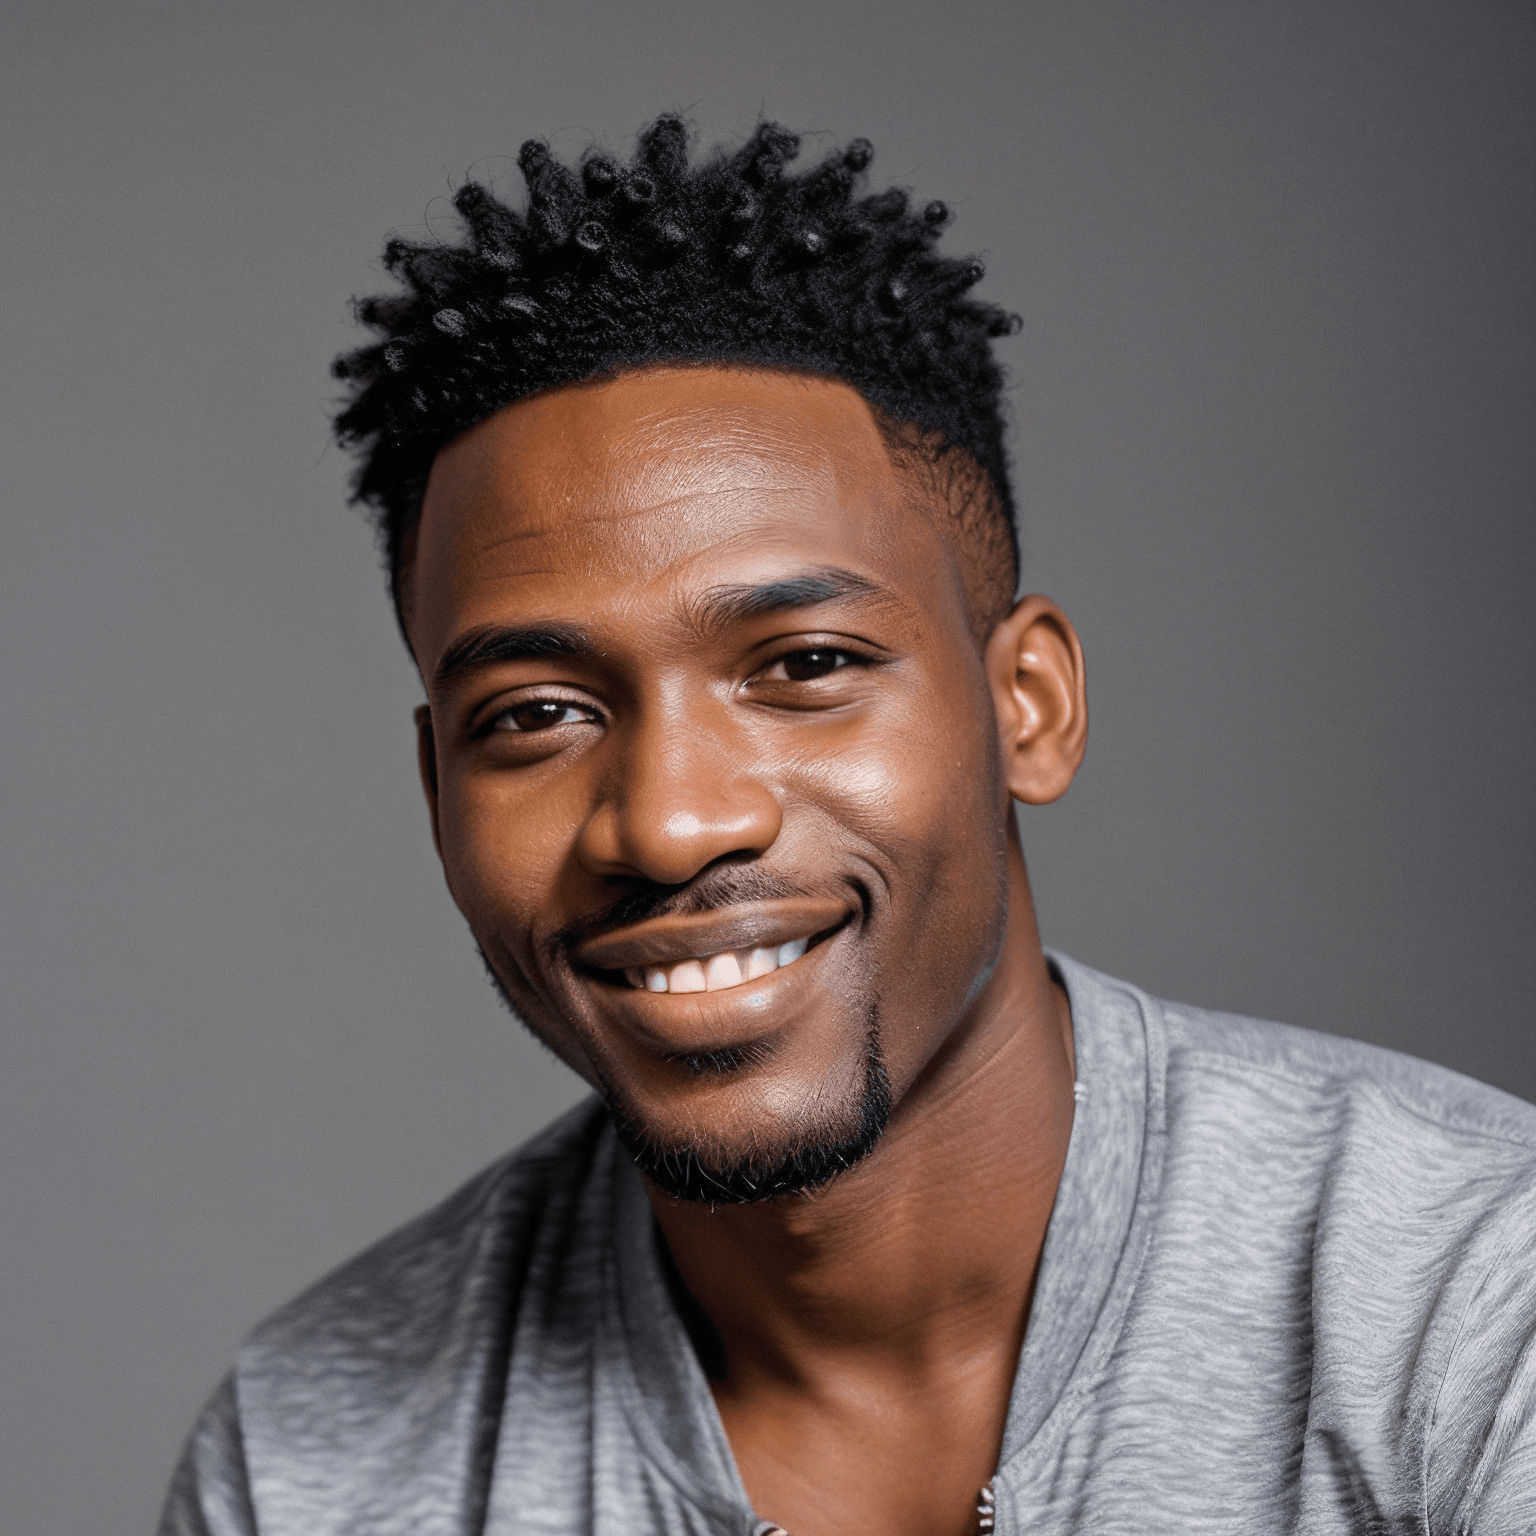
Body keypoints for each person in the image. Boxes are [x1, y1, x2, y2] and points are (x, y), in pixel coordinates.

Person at [159, 116, 1536, 1536]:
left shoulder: (1470, 1309)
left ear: (1029, 706)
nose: (674, 821)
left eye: (804, 666)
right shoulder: (315, 1465)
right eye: (535, 715)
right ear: (437, 789)